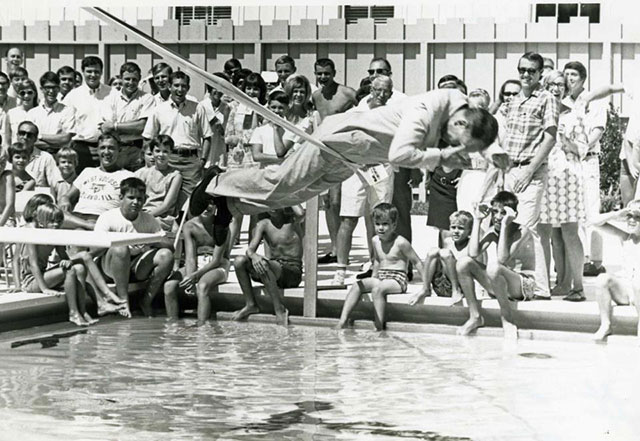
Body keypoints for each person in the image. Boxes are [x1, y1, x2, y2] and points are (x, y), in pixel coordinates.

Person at [203, 89, 501, 217]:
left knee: (297, 196)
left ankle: (229, 209)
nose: (456, 147)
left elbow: (481, 124)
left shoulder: (464, 106)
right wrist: (441, 156)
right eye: (457, 141)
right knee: (285, 181)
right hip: (339, 138)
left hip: (357, 156)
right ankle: (215, 182)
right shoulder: (424, 112)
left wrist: (494, 150)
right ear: (460, 122)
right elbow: (399, 155)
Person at [455, 191, 549, 339]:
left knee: (494, 267)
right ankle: (475, 316)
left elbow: (502, 259)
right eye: (495, 212)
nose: (498, 217)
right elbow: (472, 253)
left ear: (513, 214)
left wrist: (505, 225)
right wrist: (478, 220)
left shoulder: (523, 231)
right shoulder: (493, 231)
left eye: (503, 213)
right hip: (502, 283)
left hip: (524, 285)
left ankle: (507, 318)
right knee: (463, 263)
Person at [333, 74, 395, 285]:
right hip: (356, 169)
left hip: (381, 169)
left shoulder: (393, 114)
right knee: (348, 218)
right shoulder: (354, 113)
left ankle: (375, 264)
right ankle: (340, 270)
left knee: (379, 217)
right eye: (379, 90)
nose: (383, 95)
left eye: (387, 91)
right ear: (371, 90)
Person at [536, 71, 587, 302]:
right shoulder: (538, 113)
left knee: (570, 232)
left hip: (567, 178)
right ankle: (542, 285)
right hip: (544, 175)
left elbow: (583, 149)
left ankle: (578, 287)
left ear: (566, 89)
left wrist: (566, 140)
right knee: (542, 232)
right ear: (544, 87)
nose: (556, 89)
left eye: (561, 85)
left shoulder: (573, 115)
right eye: (551, 84)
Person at [336, 203, 424, 331]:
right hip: (381, 276)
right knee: (357, 285)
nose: (380, 228)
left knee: (378, 290)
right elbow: (378, 260)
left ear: (394, 225)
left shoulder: (401, 242)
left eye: (385, 224)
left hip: (397, 280)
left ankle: (379, 326)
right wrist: (373, 278)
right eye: (377, 224)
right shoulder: (375, 240)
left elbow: (417, 262)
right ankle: (342, 321)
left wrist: (426, 286)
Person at [93, 177, 173, 318]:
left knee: (165, 255)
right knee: (120, 249)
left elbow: (169, 246)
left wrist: (149, 241)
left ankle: (146, 300)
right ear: (121, 197)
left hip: (135, 267)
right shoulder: (107, 217)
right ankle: (124, 302)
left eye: (140, 199)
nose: (136, 202)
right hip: (109, 268)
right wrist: (120, 241)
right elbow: (95, 250)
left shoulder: (148, 219)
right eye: (131, 197)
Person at [501, 52, 559, 227]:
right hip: (509, 171)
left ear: (540, 72)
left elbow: (550, 138)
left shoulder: (547, 99)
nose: (525, 75)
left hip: (531, 172)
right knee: (506, 226)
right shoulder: (514, 100)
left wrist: (529, 171)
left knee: (524, 228)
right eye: (522, 70)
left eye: (531, 71)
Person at [562, 61, 607, 278]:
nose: (569, 78)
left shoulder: (594, 101)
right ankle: (578, 260)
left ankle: (596, 261)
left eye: (574, 75)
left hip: (587, 159)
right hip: (566, 161)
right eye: (566, 74)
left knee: (591, 208)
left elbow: (597, 131)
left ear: (583, 78)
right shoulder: (561, 103)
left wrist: (579, 147)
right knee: (572, 211)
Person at [142, 71, 212, 210]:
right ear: (169, 86)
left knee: (188, 204)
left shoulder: (197, 108)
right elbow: (148, 137)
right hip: (167, 159)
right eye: (176, 85)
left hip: (190, 162)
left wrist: (202, 161)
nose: (180, 90)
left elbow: (207, 137)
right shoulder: (159, 110)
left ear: (188, 88)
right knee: (164, 199)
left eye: (184, 86)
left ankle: (181, 230)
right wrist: (150, 160)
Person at [19, 203, 98, 326]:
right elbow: (33, 264)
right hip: (31, 280)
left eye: (58, 221)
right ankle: (73, 313)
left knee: (80, 268)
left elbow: (65, 258)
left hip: (44, 275)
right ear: (41, 223)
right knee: (70, 271)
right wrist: (45, 288)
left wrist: (68, 261)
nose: (55, 224)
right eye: (51, 221)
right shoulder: (32, 235)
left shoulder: (56, 235)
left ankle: (83, 311)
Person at [312, 58, 357, 265]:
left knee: (339, 201)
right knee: (329, 202)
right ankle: (334, 246)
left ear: (334, 72)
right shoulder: (316, 96)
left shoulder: (347, 93)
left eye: (326, 74)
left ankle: (340, 247)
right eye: (319, 74)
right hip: (324, 149)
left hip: (343, 150)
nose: (323, 78)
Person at [164, 193, 230, 326]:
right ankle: (173, 324)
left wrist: (196, 276)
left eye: (210, 203)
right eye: (202, 204)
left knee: (202, 286)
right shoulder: (189, 226)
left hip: (217, 265)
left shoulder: (222, 224)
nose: (206, 208)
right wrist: (189, 276)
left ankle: (202, 325)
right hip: (197, 263)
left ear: (216, 205)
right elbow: (190, 257)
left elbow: (217, 260)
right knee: (169, 286)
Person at [231, 207, 303, 326]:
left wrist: (286, 193)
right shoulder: (264, 224)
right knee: (239, 261)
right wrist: (254, 256)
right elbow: (250, 250)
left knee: (265, 264)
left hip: (292, 272)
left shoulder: (293, 220)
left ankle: (280, 309)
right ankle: (250, 304)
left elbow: (301, 212)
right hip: (272, 270)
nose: (273, 208)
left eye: (275, 203)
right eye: (269, 204)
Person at [59, 133, 134, 230]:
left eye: (111, 148)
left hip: (102, 217)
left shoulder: (128, 176)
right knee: (51, 214)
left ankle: (87, 227)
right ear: (98, 150)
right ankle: (89, 226)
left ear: (119, 150)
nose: (106, 152)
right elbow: (67, 196)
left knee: (79, 231)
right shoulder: (88, 171)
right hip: (76, 216)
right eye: (103, 148)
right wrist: (64, 200)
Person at [591, 200, 640, 341]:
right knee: (602, 279)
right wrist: (617, 213)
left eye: (638, 217)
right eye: (629, 216)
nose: (632, 220)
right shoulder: (626, 237)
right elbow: (594, 222)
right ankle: (606, 324)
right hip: (627, 291)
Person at [409, 210, 475, 305]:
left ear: (469, 231)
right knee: (434, 251)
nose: (456, 231)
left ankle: (455, 290)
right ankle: (425, 288)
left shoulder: (471, 246)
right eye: (453, 227)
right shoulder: (448, 242)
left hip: (462, 288)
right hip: (442, 285)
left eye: (460, 228)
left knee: (445, 253)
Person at [100, 62, 155, 171]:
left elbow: (142, 126)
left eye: (134, 79)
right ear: (121, 78)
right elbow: (106, 127)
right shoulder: (110, 98)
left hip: (136, 150)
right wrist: (131, 126)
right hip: (116, 149)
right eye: (127, 79)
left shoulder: (147, 98)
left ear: (139, 78)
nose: (131, 83)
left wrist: (115, 126)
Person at [63, 56, 112, 172]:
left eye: (96, 72)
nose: (93, 75)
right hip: (81, 149)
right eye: (89, 71)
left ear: (101, 72)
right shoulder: (73, 96)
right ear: (83, 72)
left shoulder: (112, 93)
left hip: (106, 148)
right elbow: (67, 127)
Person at [134, 135, 182, 231]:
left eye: (165, 151)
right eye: (157, 151)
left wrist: (146, 216)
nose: (161, 155)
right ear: (152, 152)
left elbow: (166, 205)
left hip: (163, 216)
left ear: (171, 153)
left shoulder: (175, 176)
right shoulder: (144, 173)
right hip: (143, 212)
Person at [27, 71, 76, 155]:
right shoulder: (32, 113)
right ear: (41, 89)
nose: (51, 91)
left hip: (59, 157)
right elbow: (29, 140)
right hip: (37, 156)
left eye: (54, 88)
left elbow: (65, 139)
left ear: (59, 89)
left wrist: (39, 136)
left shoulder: (67, 111)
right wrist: (56, 143)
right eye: (47, 87)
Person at [200, 74, 231, 168]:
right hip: (204, 151)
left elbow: (226, 132)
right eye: (215, 88)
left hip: (219, 151)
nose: (218, 91)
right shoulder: (201, 106)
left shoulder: (226, 107)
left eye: (222, 88)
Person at [4, 79, 38, 148]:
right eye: (22, 93)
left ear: (34, 94)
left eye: (29, 92)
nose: (26, 96)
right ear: (18, 95)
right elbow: (7, 141)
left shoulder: (40, 112)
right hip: (16, 154)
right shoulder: (11, 113)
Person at [0, 153, 15, 227]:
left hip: (5, 218)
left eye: (2, 163)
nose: (0, 166)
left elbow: (10, 205)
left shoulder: (8, 176)